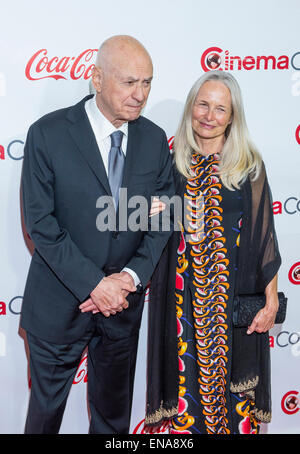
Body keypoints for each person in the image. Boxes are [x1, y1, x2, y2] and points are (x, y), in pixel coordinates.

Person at [21, 35, 174, 434]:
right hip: (58, 306)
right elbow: (41, 223)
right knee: (43, 418)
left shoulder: (155, 140)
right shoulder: (48, 133)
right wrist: (94, 284)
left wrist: (129, 279)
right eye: (129, 82)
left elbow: (161, 219)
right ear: (97, 79)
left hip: (122, 308)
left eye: (147, 82)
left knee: (113, 423)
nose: (140, 95)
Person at [145, 70, 281, 434]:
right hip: (182, 302)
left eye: (220, 108)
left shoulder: (248, 166)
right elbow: (143, 219)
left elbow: (265, 236)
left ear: (233, 116)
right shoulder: (171, 164)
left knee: (235, 403)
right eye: (202, 104)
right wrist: (152, 211)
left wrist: (270, 303)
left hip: (232, 305)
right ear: (191, 107)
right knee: (185, 390)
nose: (209, 115)